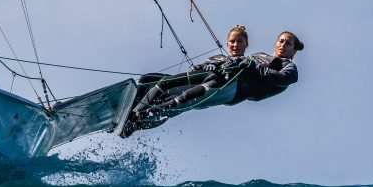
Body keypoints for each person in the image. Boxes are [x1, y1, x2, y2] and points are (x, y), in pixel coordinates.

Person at [121, 28, 303, 137]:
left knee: (182, 99)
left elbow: (281, 79)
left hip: (233, 89)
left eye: (288, 44)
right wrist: (207, 66)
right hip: (219, 78)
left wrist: (251, 67)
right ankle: (130, 113)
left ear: (293, 50)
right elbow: (237, 62)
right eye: (281, 41)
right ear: (275, 43)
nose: (283, 45)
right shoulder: (259, 55)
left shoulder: (290, 68)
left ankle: (140, 117)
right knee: (153, 81)